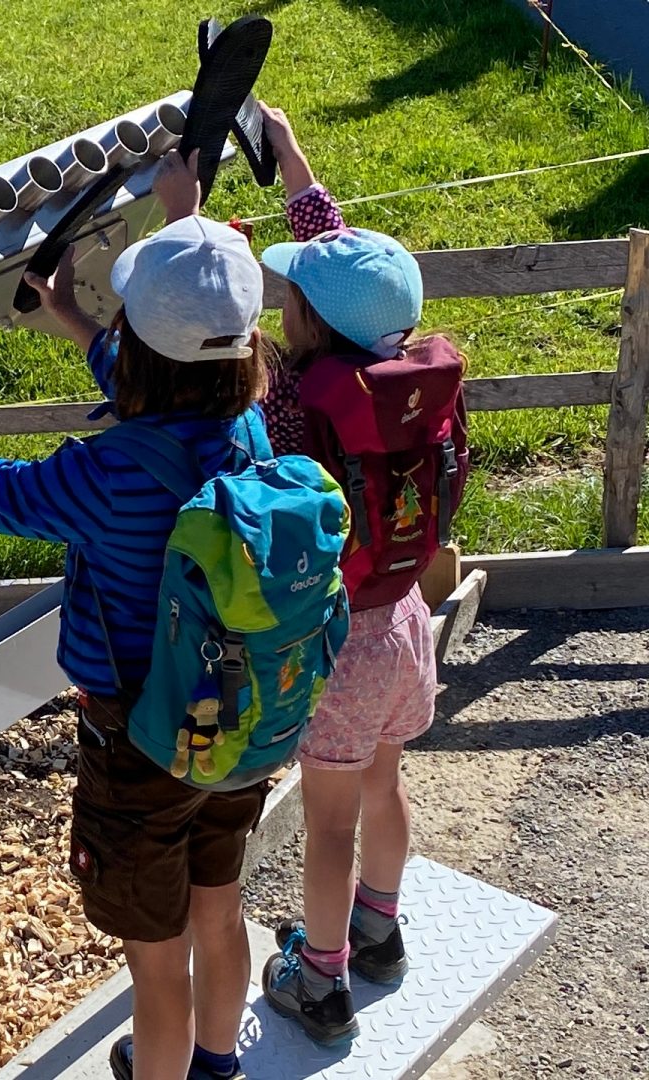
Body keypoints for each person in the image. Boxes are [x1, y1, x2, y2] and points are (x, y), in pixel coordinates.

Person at [0, 148, 268, 1080]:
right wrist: (78, 321)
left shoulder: (104, 474)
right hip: (240, 719)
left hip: (140, 740)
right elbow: (180, 373)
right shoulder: (249, 425)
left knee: (154, 967)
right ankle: (217, 1066)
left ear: (144, 352)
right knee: (219, 907)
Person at [254, 105, 462, 1044]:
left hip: (337, 644)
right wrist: (290, 155)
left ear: (304, 322)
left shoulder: (299, 400)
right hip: (404, 622)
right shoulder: (403, 370)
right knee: (385, 787)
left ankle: (322, 983)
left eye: (287, 298)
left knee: (326, 821)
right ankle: (380, 931)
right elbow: (345, 264)